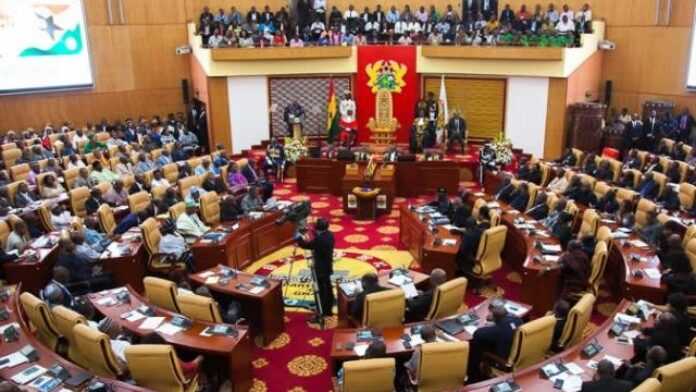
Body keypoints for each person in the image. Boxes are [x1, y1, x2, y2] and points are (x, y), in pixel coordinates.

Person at [468, 302, 523, 382]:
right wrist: (495, 323)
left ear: (493, 317)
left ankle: (473, 377)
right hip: (516, 353)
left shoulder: (497, 330)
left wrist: (491, 323)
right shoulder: (518, 320)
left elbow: (477, 333)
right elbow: (505, 325)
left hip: (502, 361)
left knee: (474, 346)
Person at [297, 218, 335, 318]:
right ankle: (328, 308)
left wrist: (298, 237)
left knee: (320, 290)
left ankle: (322, 310)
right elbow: (318, 236)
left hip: (320, 269)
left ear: (318, 229)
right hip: (328, 266)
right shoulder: (330, 235)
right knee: (328, 287)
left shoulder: (319, 240)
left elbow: (306, 245)